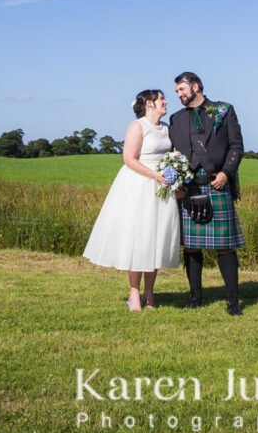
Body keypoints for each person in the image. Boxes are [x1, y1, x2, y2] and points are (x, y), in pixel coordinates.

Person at [82, 88, 182, 310]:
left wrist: (174, 176)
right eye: (161, 99)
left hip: (162, 188)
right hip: (140, 185)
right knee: (140, 238)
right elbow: (129, 158)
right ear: (149, 103)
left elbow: (172, 155)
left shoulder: (166, 129)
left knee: (157, 238)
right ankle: (134, 293)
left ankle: (150, 293)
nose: (165, 102)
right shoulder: (137, 126)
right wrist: (155, 175)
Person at [167, 71, 245, 315]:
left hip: (216, 183)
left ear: (196, 86)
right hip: (189, 186)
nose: (178, 95)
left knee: (225, 246)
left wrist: (226, 173)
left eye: (181, 89)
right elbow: (172, 152)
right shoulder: (176, 119)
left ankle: (233, 301)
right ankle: (195, 297)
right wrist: (176, 182)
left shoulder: (224, 110)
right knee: (190, 246)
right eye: (177, 91)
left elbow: (236, 146)